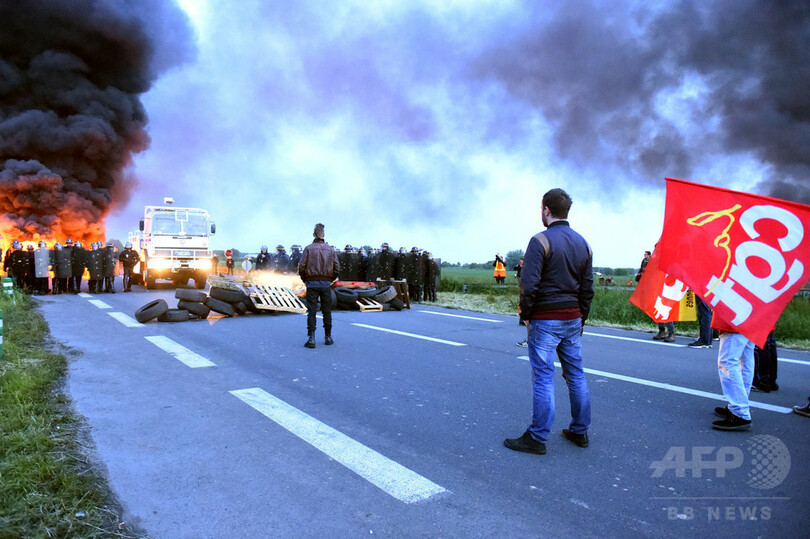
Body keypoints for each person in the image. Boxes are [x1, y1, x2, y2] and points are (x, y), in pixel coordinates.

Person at [504, 188, 594, 455]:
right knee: (576, 375)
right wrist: (581, 318)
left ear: (546, 209)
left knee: (543, 377)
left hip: (545, 318)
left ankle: (537, 436)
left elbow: (528, 285)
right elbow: (587, 288)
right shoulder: (584, 243)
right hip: (572, 318)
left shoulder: (540, 241)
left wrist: (526, 316)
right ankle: (580, 431)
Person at [298, 223, 339, 348]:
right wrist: (330, 279)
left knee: (312, 311)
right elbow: (337, 267)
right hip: (326, 284)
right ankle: (328, 337)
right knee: (327, 311)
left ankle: (311, 339)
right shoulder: (330, 249)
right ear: (323, 235)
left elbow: (302, 266)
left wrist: (305, 279)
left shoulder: (308, 249)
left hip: (311, 283)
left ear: (314, 234)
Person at [711, 314, 755, 430]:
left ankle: (739, 410)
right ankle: (739, 404)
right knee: (745, 360)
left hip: (734, 314)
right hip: (752, 313)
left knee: (728, 362)